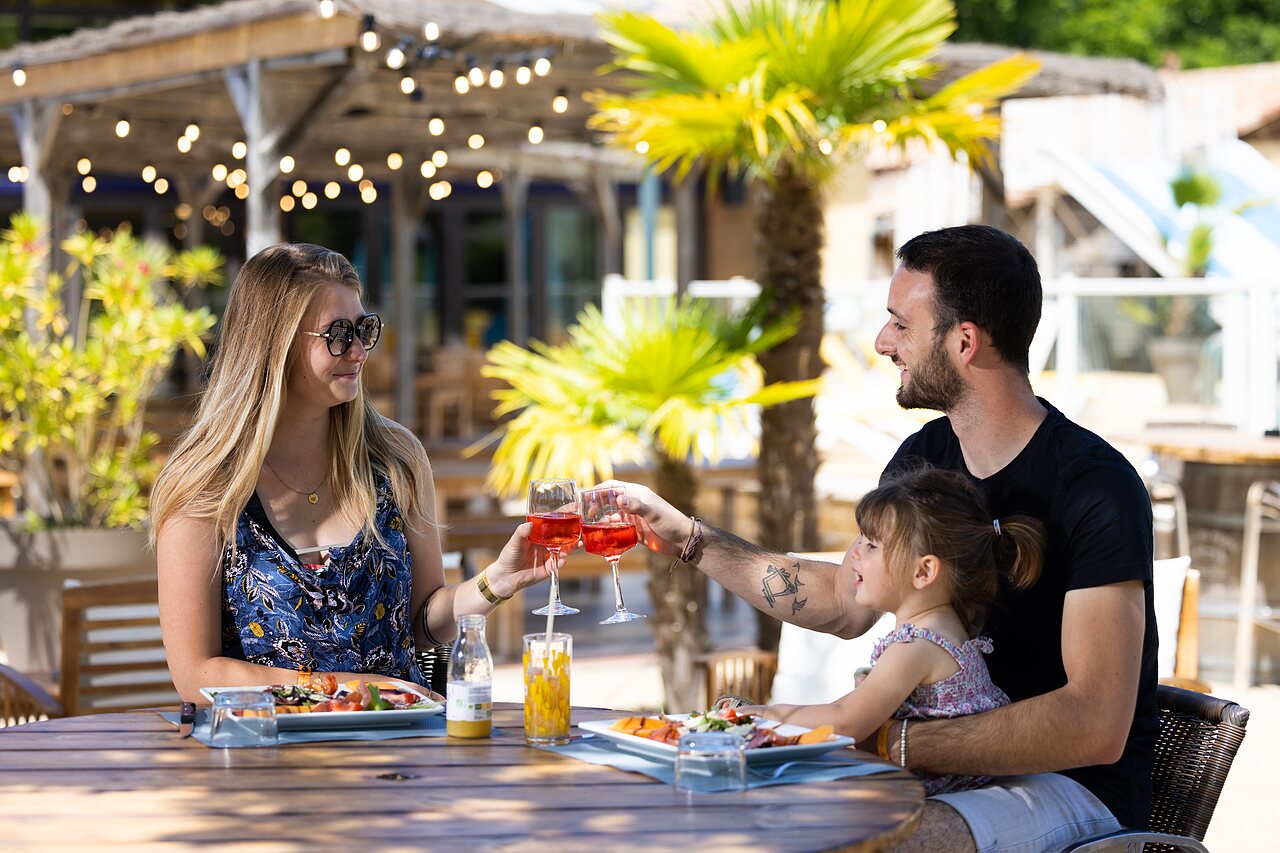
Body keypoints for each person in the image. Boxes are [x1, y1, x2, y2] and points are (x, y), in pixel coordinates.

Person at [607, 224, 1157, 853]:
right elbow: (846, 602)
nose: (881, 342)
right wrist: (690, 539)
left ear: (964, 342)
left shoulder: (1095, 487)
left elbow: (1094, 725)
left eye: (900, 324)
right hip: (948, 776)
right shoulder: (922, 461)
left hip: (1071, 786)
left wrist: (885, 741)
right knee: (742, 816)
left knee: (864, 841)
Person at [151, 243, 555, 701]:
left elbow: (422, 622)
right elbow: (195, 674)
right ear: (274, 344)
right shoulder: (205, 484)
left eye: (365, 329)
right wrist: (349, 691)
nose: (360, 351)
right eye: (339, 334)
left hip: (403, 737)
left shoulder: (395, 457)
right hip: (268, 741)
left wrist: (495, 581)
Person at [739, 466, 1045, 796]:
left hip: (925, 797)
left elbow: (848, 720)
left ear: (923, 571)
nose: (854, 553)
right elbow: (851, 706)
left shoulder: (918, 645)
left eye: (871, 545)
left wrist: (761, 716)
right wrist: (773, 717)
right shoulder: (946, 627)